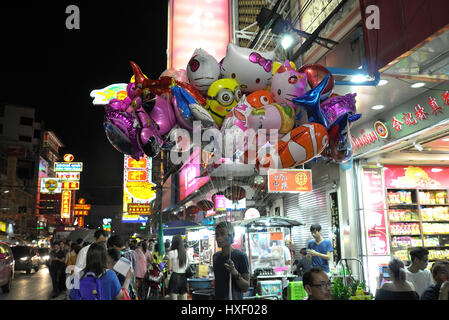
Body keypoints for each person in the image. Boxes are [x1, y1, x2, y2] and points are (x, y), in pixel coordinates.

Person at [69, 243, 133, 300]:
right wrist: (128, 278)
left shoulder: (78, 276)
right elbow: (121, 297)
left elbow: (72, 296)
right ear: (104, 257)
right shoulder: (110, 275)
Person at [213, 221, 250, 300]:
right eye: (217, 234)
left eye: (222, 234)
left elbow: (246, 287)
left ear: (231, 236)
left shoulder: (241, 256)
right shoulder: (216, 257)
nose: (219, 238)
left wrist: (234, 272)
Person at [166, 235, 189, 300]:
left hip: (175, 277)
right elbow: (187, 266)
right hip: (183, 278)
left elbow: (169, 268)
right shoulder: (185, 253)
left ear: (173, 243)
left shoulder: (171, 253)